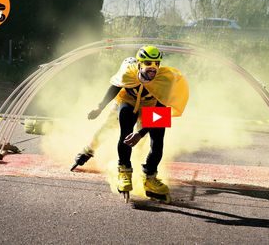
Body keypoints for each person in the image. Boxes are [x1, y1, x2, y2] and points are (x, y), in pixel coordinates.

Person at [76, 45, 189, 203]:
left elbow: (161, 111)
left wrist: (141, 133)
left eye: (157, 63)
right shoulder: (128, 72)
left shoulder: (165, 78)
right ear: (139, 64)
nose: (153, 68)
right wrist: (99, 108)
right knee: (125, 132)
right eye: (149, 63)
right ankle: (124, 170)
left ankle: (150, 176)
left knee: (157, 142)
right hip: (129, 101)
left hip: (154, 105)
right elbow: (114, 88)